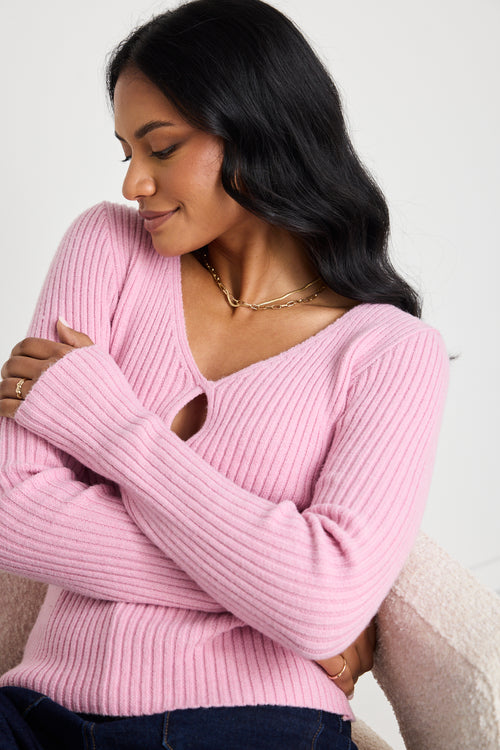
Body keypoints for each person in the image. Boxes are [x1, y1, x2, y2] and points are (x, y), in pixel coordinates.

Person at [0, 0, 449, 747]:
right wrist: (276, 599)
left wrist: (110, 426)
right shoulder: (108, 248)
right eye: (126, 152)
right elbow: (13, 510)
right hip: (34, 715)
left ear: (259, 132)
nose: (133, 183)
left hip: (255, 725)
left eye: (162, 147)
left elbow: (322, 600)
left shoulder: (389, 350)